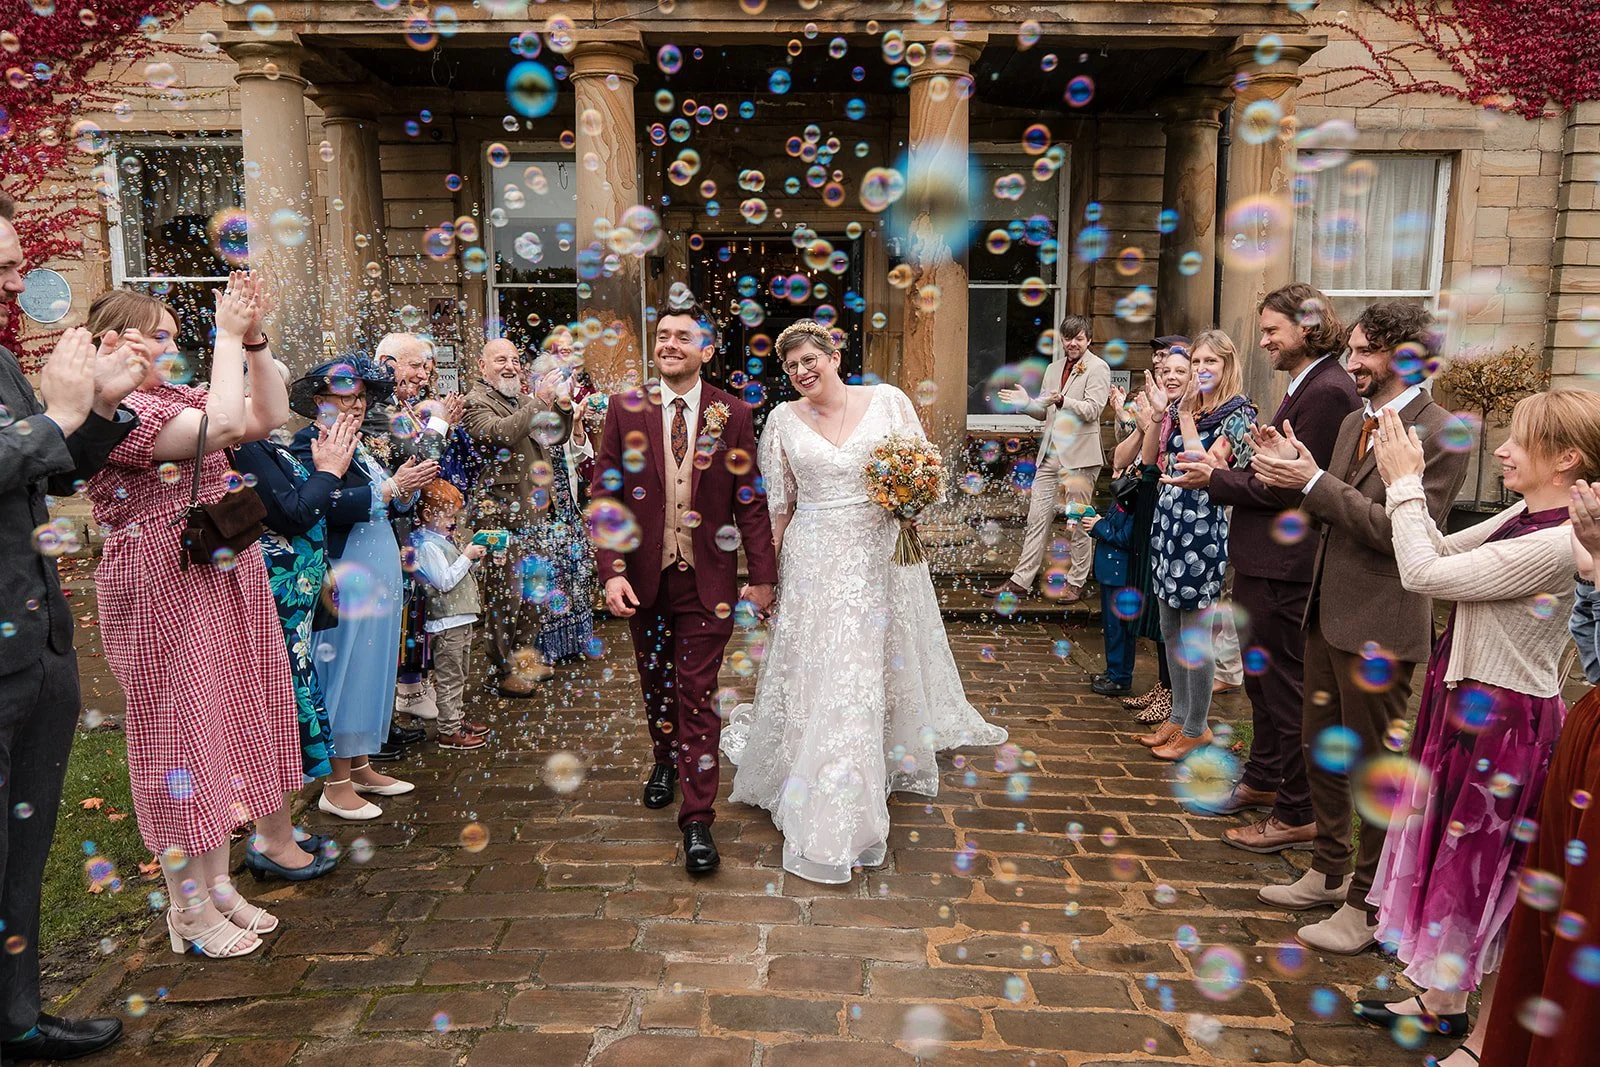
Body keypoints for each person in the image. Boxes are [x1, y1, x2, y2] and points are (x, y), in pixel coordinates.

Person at [1352, 392, 1600, 1066]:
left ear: (1567, 457)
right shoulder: (1528, 512)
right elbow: (1435, 548)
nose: (1502, 450)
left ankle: (1487, 1041)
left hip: (1505, 726)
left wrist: (1405, 481)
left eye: (1517, 440)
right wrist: (1404, 488)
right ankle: (1443, 1002)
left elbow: (1422, 573)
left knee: (1489, 876)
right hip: (1466, 706)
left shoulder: (1559, 540)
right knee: (1452, 862)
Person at [720, 319, 1009, 884]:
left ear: (833, 355)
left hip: (876, 556)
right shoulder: (781, 420)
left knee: (866, 665)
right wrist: (765, 576)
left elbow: (925, 471)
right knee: (818, 665)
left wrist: (912, 498)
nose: (802, 372)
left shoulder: (888, 402)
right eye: (791, 366)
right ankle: (816, 775)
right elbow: (779, 505)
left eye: (811, 359)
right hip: (811, 558)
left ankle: (855, 776)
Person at [83, 275, 305, 960]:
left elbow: (267, 415)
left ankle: (216, 887)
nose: (173, 347)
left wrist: (255, 339)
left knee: (218, 724)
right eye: (162, 336)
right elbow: (228, 425)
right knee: (178, 737)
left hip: (213, 565)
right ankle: (185, 905)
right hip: (161, 578)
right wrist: (226, 338)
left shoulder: (170, 395)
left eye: (179, 336)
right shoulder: (111, 413)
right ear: (113, 343)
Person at [1251, 301, 1470, 954]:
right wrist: (1292, 472)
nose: (1351, 364)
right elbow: (1334, 509)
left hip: (1382, 623)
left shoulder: (1443, 430)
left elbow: (1395, 532)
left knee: (1375, 769)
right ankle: (1327, 868)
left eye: (1364, 352)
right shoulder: (1353, 421)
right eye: (1350, 350)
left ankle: (1368, 905)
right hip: (1327, 612)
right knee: (1322, 749)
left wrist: (1313, 481)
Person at [0, 189, 137, 1062]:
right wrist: (54, 414)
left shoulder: (3, 359)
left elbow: (44, 472)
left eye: (14, 261)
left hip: (37, 635)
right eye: (3, 264)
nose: (18, 277)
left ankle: (16, 1016)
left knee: (25, 843)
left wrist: (101, 408)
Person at [1168, 283, 1360, 848]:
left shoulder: (1327, 391)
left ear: (1308, 326)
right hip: (1264, 562)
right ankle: (1263, 780)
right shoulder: (1307, 385)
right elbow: (1281, 470)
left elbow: (1299, 489)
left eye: (1273, 330)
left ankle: (1297, 812)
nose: (1265, 341)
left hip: (1287, 565)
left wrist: (1217, 478)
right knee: (1261, 684)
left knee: (1285, 690)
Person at [591, 303, 778, 875]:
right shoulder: (625, 410)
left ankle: (697, 820)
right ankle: (665, 760)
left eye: (683, 337)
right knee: (657, 684)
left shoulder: (734, 412)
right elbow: (606, 496)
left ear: (707, 349)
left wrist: (763, 577)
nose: (670, 343)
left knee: (697, 693)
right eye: (663, 335)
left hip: (709, 581)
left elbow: (750, 502)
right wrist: (612, 570)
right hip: (644, 580)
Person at [1479, 478, 1600, 1067]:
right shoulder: (1556, 525)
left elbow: (1429, 569)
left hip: (1556, 729)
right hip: (1589, 737)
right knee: (1556, 925)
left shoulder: (1547, 536)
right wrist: (1594, 574)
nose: (1502, 451)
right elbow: (1595, 658)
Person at [289, 359, 437, 821]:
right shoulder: (305, 444)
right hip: (342, 571)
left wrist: (406, 486)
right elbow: (323, 506)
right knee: (343, 666)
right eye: (343, 397)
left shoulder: (359, 446)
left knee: (372, 666)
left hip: (377, 566)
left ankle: (361, 765)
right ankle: (334, 784)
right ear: (320, 400)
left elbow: (385, 498)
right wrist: (392, 487)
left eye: (359, 397)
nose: (354, 405)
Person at [232, 384, 362, 880]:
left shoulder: (264, 443)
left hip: (294, 603)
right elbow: (292, 511)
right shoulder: (242, 446)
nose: (276, 401)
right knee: (274, 712)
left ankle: (278, 829)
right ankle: (272, 840)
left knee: (285, 709)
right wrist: (328, 470)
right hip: (274, 603)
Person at [1138, 329, 1256, 761]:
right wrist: (1162, 414)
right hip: (1169, 525)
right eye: (1198, 362)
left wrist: (1184, 416)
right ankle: (1177, 718)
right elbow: (1155, 463)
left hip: (1202, 533)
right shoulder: (1189, 408)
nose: (1202, 370)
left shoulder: (1237, 415)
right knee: (1169, 628)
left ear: (1227, 366)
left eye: (1211, 363)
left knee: (1195, 635)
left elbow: (1201, 468)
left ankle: (1196, 727)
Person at [463, 338, 572, 696]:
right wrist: (540, 402)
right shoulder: (474, 403)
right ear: (482, 366)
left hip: (535, 512)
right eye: (500, 360)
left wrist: (564, 406)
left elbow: (553, 433)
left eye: (514, 359)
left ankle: (523, 659)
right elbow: (501, 434)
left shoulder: (525, 400)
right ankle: (501, 670)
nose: (510, 366)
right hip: (500, 517)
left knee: (532, 595)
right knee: (504, 597)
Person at [373, 332, 463, 741]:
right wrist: (440, 422)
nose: (425, 375)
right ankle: (385, 712)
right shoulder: (376, 408)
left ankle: (408, 690)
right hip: (383, 527)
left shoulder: (402, 406)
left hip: (407, 524)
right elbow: (420, 457)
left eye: (428, 366)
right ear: (388, 362)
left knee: (412, 609)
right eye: (417, 365)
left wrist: (445, 425)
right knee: (392, 615)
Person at [985, 314, 1110, 603]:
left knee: (1078, 521)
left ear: (1088, 340)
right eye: (1068, 338)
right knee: (1036, 519)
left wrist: (1063, 400)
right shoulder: (1053, 369)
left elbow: (1093, 410)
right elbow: (1044, 411)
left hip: (1079, 457)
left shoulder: (1098, 368)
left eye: (1079, 338)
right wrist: (1026, 403)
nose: (1073, 343)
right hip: (1050, 455)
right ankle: (1020, 582)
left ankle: (1076, 583)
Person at [1106, 342, 1192, 720]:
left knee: (1170, 612)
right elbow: (1138, 462)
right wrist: (1150, 422)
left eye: (1180, 371)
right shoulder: (1165, 413)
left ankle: (1175, 697)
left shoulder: (1192, 415)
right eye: (1166, 371)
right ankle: (1163, 686)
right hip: (1153, 509)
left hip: (1181, 522)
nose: (1171, 376)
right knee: (1157, 604)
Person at [526, 334, 597, 665]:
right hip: (544, 504)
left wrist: (578, 425)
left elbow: (581, 456)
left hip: (567, 502)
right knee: (551, 575)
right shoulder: (530, 407)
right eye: (556, 380)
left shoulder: (564, 412)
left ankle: (576, 641)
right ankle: (548, 648)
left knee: (576, 570)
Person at [411, 479, 491, 751]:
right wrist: (466, 557)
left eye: (456, 515)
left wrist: (473, 558)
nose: (455, 521)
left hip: (461, 620)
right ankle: (448, 730)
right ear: (428, 516)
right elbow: (444, 582)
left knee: (461, 673)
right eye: (449, 516)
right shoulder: (427, 545)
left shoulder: (442, 540)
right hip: (447, 623)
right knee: (449, 677)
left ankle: (455, 719)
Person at [1085, 488, 1138, 696]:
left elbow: (1126, 538)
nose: (1116, 475)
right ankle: (1112, 671)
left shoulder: (1135, 500)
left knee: (1119, 629)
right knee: (1110, 627)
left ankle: (1120, 678)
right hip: (1110, 573)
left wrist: (1099, 526)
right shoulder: (1123, 496)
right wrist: (1095, 521)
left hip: (1121, 575)